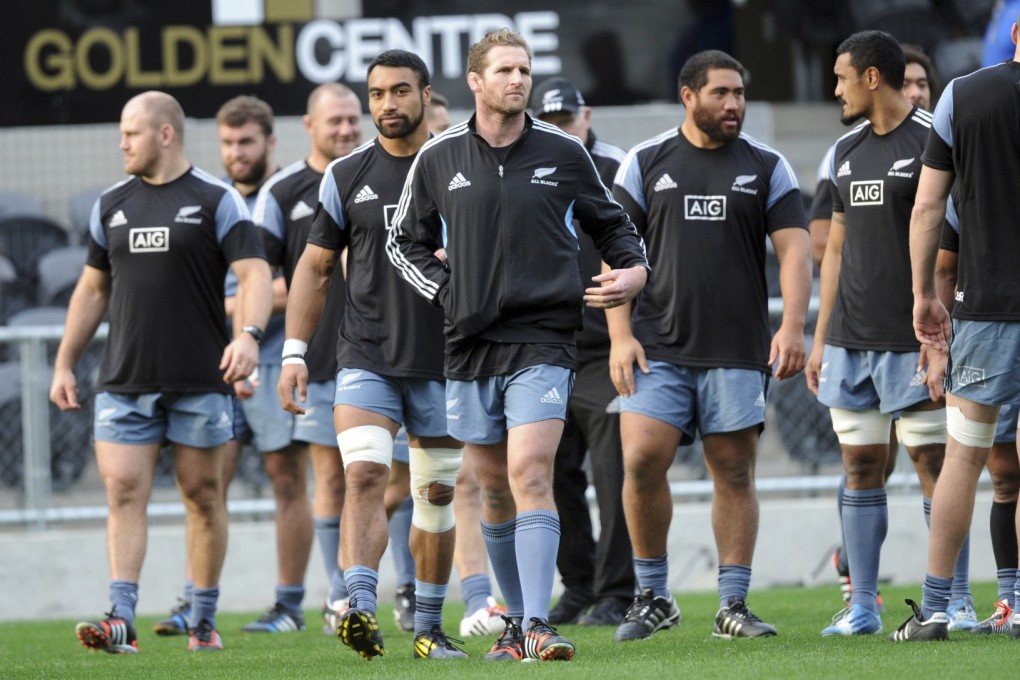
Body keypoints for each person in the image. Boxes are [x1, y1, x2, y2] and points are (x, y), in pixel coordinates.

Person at [388, 28, 649, 662]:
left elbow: (616, 227)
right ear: (475, 81)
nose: (518, 79)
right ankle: (513, 625)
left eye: (524, 70)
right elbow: (402, 241)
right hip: (469, 342)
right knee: (494, 487)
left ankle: (535, 623)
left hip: (544, 336)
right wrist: (447, 293)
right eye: (505, 70)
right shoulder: (439, 156)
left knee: (530, 470)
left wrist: (635, 272)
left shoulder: (564, 150)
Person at [51, 90, 273, 653]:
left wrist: (248, 336)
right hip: (125, 382)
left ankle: (203, 621)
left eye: (132, 132)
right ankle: (121, 618)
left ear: (165, 134)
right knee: (124, 493)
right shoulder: (110, 205)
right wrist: (64, 362)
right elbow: (92, 290)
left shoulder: (217, 199)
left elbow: (253, 276)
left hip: (200, 381)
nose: (122, 143)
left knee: (202, 496)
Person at [609, 49, 810, 643]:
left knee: (734, 470)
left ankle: (732, 606)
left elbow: (795, 251)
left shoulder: (768, 165)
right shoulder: (644, 162)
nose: (733, 104)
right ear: (688, 96)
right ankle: (653, 595)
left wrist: (792, 326)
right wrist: (620, 336)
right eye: (721, 92)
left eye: (739, 93)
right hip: (656, 346)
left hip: (736, 348)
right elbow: (616, 255)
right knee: (641, 460)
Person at [278, 50, 469, 661]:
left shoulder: (463, 165)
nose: (387, 104)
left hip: (447, 361)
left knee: (434, 495)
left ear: (426, 94)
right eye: (378, 93)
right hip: (366, 357)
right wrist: (293, 353)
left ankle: (430, 628)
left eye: (400, 91)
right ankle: (359, 607)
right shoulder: (345, 175)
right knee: (362, 474)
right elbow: (315, 268)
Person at [803, 31, 955, 637]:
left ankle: (953, 602)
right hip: (849, 340)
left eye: (841, 78)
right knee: (860, 467)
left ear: (871, 77)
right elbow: (835, 248)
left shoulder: (935, 139)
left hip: (914, 340)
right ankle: (863, 607)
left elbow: (953, 241)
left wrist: (940, 335)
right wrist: (820, 338)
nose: (835, 89)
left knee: (933, 464)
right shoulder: (844, 150)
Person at [893, 15, 1020, 633]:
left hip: (986, 310)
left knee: (964, 460)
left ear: (1016, 34)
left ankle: (936, 608)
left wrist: (923, 296)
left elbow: (927, 206)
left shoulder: (961, 95)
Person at [250, 83, 363, 637]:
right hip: (320, 360)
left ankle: (408, 591)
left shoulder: (385, 171)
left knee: (400, 479)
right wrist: (252, 332)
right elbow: (255, 276)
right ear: (308, 125)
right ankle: (341, 596)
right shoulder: (282, 190)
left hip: (389, 355)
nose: (345, 129)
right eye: (334, 120)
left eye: (352, 119)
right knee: (333, 478)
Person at [529, 75, 635, 627]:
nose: (561, 130)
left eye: (567, 120)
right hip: (545, 344)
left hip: (602, 347)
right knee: (552, 472)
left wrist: (626, 336)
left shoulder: (618, 167)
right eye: (549, 122)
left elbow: (633, 251)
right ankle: (577, 584)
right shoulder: (527, 164)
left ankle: (617, 590)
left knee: (615, 471)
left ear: (586, 116)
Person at [423, 88, 509, 639]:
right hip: (404, 351)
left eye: (441, 129)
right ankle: (396, 589)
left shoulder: (470, 174)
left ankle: (482, 599)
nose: (435, 140)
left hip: (469, 344)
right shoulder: (392, 181)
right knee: (406, 484)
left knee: (469, 477)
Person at [932, 200, 1020, 636]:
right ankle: (1009, 602)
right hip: (984, 321)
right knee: (1003, 475)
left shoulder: (963, 169)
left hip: (984, 325)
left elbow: (936, 251)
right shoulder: (965, 188)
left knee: (968, 460)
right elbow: (945, 265)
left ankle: (935, 607)